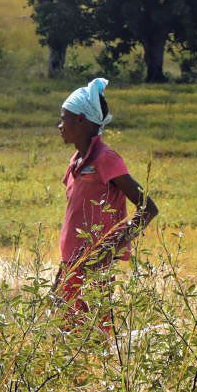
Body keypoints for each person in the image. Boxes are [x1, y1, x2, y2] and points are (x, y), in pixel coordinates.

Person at [55, 77, 158, 333]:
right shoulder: (76, 161)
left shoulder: (106, 159)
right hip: (71, 264)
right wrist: (61, 272)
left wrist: (111, 247)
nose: (60, 125)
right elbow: (74, 217)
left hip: (93, 266)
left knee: (90, 336)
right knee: (65, 335)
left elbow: (148, 208)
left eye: (64, 118)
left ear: (81, 120)